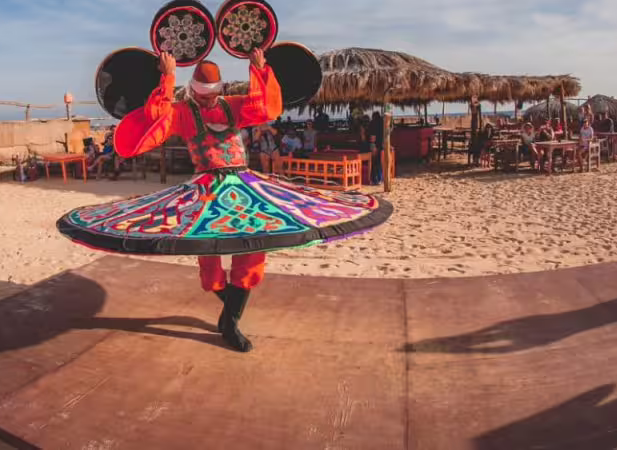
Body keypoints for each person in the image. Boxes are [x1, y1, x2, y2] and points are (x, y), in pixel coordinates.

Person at [57, 49, 392, 353]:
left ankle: (229, 322)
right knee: (210, 259)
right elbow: (157, 117)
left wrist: (259, 68)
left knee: (252, 252)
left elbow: (266, 108)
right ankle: (229, 312)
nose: (209, 101)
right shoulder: (183, 112)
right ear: (192, 92)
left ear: (220, 91)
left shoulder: (232, 106)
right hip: (205, 193)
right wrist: (167, 76)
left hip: (246, 187)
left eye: (214, 94)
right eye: (205, 96)